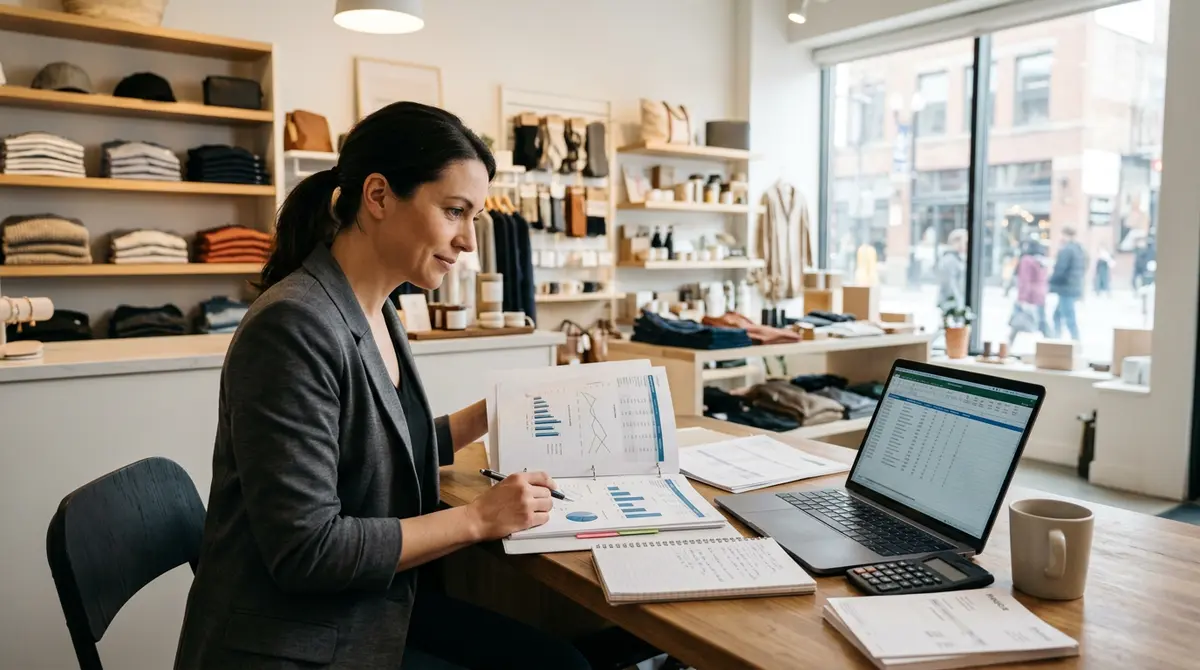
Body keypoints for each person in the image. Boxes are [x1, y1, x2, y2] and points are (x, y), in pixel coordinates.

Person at [174, 102, 591, 670]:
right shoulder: (293, 326)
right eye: (454, 211)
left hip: (366, 607)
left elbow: (375, 445)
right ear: (378, 197)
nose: (470, 240)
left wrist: (484, 415)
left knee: (558, 659)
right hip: (299, 641)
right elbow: (307, 551)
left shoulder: (376, 308)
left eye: (474, 217)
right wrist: (478, 518)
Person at [1008, 240, 1050, 345]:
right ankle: (1053, 345)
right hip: (1039, 296)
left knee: (1017, 323)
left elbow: (1024, 281)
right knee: (1042, 323)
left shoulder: (1027, 260)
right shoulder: (1041, 261)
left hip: (1028, 296)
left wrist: (1023, 299)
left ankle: (1007, 347)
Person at [1048, 226, 1087, 341]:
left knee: (1069, 317)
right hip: (1074, 286)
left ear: (1065, 235)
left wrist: (1050, 282)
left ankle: (1075, 340)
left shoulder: (1066, 250)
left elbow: (1060, 270)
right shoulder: (1079, 249)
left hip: (1066, 287)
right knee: (1058, 315)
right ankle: (1057, 338)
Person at [936, 228, 968, 310]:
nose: (967, 246)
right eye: (965, 242)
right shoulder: (950, 260)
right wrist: (957, 304)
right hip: (951, 305)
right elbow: (949, 285)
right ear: (957, 242)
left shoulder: (956, 259)